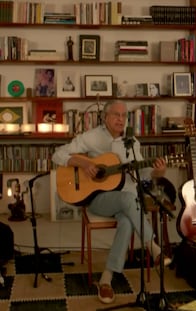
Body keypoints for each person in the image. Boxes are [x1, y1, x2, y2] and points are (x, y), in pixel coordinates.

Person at [52, 100, 171, 304]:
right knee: (128, 199)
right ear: (105, 117)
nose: (121, 119)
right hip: (99, 199)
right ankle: (153, 247)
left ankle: (106, 279)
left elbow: (141, 172)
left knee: (127, 219)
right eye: (116, 115)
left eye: (124, 115)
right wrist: (84, 162)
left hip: (127, 201)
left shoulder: (131, 141)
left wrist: (157, 172)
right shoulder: (92, 137)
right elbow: (58, 154)